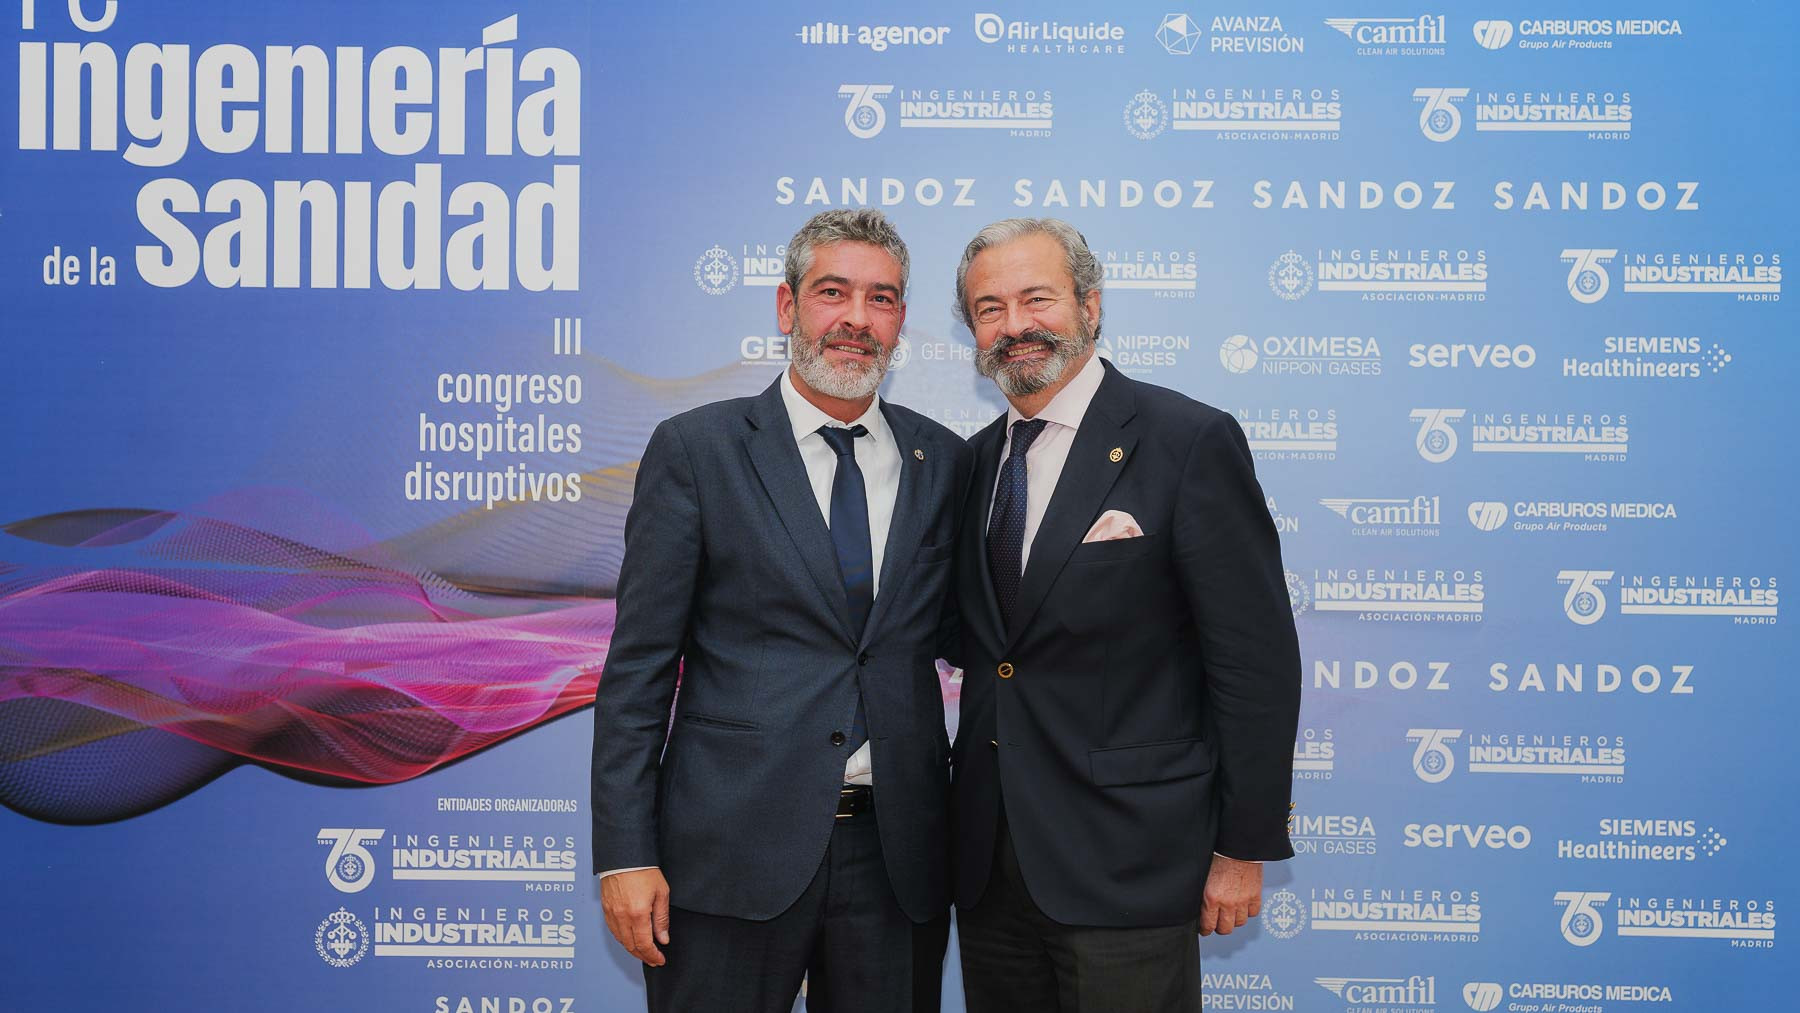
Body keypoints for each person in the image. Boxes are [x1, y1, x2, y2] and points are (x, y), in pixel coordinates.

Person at [591, 209, 969, 1013]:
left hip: (897, 857)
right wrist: (625, 852)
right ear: (787, 305)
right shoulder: (698, 450)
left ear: (902, 319)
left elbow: (968, 633)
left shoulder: (944, 459)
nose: (857, 319)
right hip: (728, 851)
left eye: (881, 298)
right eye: (834, 292)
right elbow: (639, 668)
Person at [946, 218, 1301, 1012]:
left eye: (1037, 298)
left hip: (1132, 861)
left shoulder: (1187, 440)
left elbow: (1255, 664)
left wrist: (1242, 845)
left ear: (1090, 305)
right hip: (991, 868)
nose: (1015, 324)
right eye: (990, 308)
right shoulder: (973, 463)